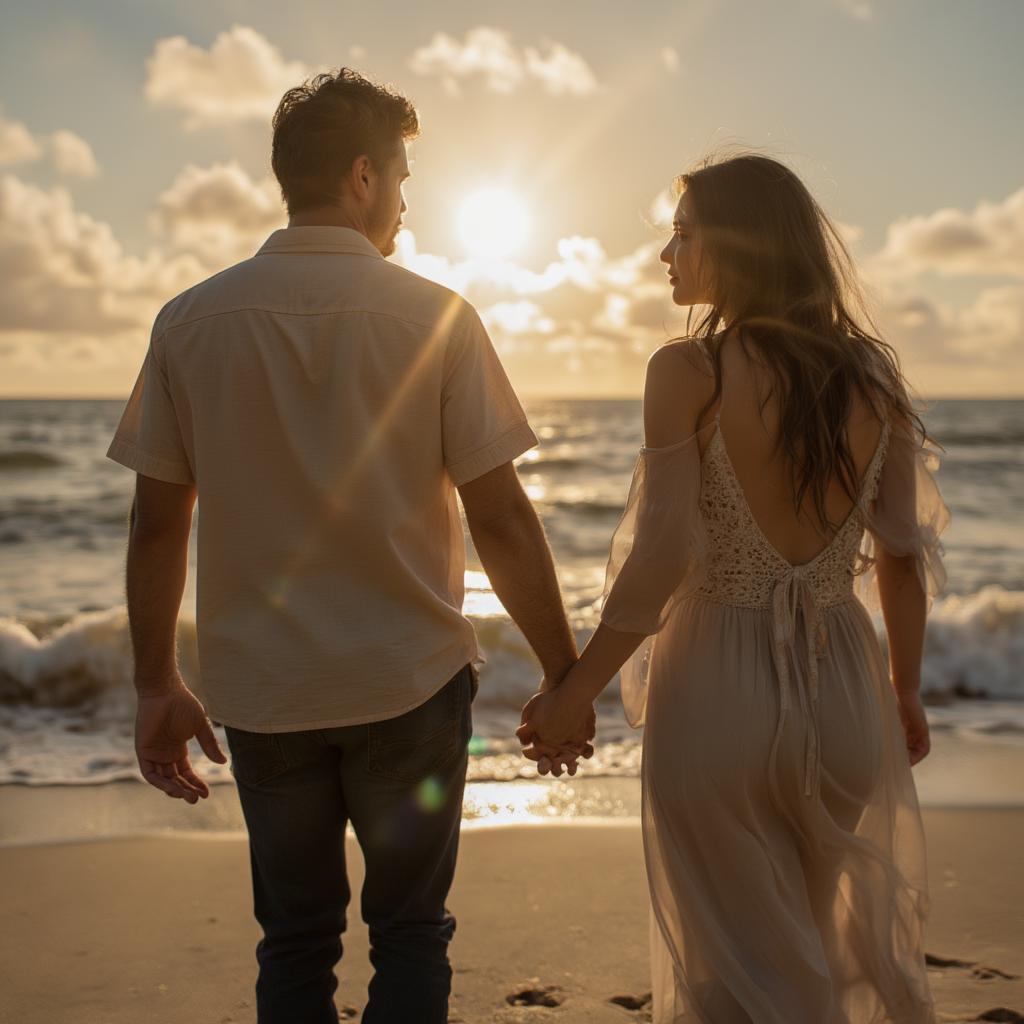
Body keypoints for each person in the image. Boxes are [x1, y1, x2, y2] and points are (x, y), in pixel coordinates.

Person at [107, 68, 588, 1024]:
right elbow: (498, 513)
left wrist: (157, 681)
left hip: (266, 694)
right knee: (409, 931)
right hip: (406, 681)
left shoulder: (190, 321)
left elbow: (161, 521)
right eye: (404, 179)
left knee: (294, 940)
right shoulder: (436, 318)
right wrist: (564, 670)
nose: (407, 206)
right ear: (363, 176)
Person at [517, 153, 949, 1023]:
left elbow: (664, 554)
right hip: (843, 691)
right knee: (806, 949)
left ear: (740, 249)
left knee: (736, 966)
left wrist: (576, 692)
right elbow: (902, 556)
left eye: (683, 235)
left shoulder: (689, 372)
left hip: (718, 687)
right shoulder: (875, 381)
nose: (665, 256)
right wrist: (905, 689)